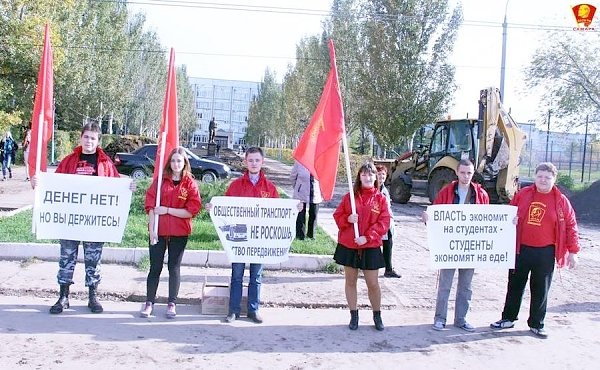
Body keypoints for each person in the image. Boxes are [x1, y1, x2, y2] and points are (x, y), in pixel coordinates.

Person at [32, 122, 128, 314]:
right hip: (70, 222)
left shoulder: (105, 164)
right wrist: (39, 183)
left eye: (93, 138)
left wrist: (127, 188)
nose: (89, 141)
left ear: (98, 140)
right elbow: (55, 184)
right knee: (66, 258)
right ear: (81, 138)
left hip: (94, 223)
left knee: (94, 260)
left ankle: (92, 297)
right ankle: (63, 296)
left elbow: (116, 189)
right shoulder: (69, 161)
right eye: (86, 137)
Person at [490, 162, 580, 338]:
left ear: (554, 179)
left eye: (547, 177)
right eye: (540, 176)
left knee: (540, 289)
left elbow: (571, 226)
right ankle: (508, 318)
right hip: (520, 250)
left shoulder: (561, 201)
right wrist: (511, 221)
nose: (543, 180)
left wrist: (573, 252)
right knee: (515, 285)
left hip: (545, 252)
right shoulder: (523, 194)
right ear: (535, 177)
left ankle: (537, 323)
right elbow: (508, 215)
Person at [206, 147, 279, 324]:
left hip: (259, 240)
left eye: (257, 160)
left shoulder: (270, 188)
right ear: (245, 162)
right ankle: (233, 310)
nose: (254, 163)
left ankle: (253, 310)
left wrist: (295, 209)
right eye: (251, 160)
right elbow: (226, 209)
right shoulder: (236, 185)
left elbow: (278, 213)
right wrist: (214, 208)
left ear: (262, 163)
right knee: (237, 275)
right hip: (239, 240)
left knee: (256, 276)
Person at [422, 159, 489, 332]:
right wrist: (428, 218)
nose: (466, 176)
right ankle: (440, 319)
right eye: (462, 172)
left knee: (466, 287)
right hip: (449, 246)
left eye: (469, 173)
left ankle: (461, 319)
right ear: (457, 172)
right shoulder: (447, 191)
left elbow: (489, 220)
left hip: (470, 247)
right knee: (445, 284)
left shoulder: (481, 195)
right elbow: (436, 212)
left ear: (473, 174)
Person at [140, 147, 202, 319]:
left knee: (174, 268)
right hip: (158, 232)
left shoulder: (189, 184)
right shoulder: (160, 181)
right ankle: (149, 302)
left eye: (179, 161)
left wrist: (167, 210)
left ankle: (171, 303)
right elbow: (151, 207)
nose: (176, 164)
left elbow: (190, 211)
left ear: (185, 164)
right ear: (169, 162)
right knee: (155, 267)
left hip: (179, 233)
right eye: (173, 160)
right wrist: (152, 230)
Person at [333, 162, 391, 331]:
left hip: (370, 246)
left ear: (376, 177)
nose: (367, 177)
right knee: (350, 281)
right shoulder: (350, 197)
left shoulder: (380, 199)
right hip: (349, 245)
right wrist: (347, 220)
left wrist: (368, 237)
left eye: (371, 174)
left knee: (372, 283)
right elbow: (338, 216)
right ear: (359, 177)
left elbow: (384, 222)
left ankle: (377, 315)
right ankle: (354, 315)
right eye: (364, 174)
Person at [375, 164, 400, 278]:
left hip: (387, 222)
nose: (381, 177)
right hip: (378, 222)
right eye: (379, 174)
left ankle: (388, 268)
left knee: (388, 244)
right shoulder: (374, 189)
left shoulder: (384, 189)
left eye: (383, 174)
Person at [290, 160, 322, 240]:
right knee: (300, 215)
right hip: (301, 192)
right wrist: (297, 188)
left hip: (315, 192)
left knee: (313, 214)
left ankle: (311, 235)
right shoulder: (299, 161)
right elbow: (293, 177)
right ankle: (300, 235)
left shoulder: (319, 160)